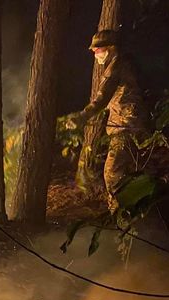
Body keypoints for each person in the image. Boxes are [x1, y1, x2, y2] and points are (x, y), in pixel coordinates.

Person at [66, 29, 149, 211]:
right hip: (133, 125)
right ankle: (137, 218)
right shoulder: (126, 65)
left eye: (97, 51)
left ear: (110, 48)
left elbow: (101, 99)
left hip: (126, 127)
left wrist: (82, 117)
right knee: (132, 174)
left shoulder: (115, 68)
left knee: (112, 174)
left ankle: (119, 218)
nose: (95, 56)